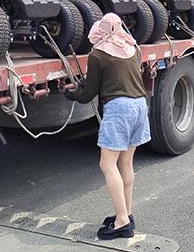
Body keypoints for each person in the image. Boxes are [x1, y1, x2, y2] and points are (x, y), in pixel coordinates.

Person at [65, 13, 150, 240]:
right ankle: (126, 214)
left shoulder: (98, 54)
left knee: (107, 164)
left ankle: (121, 222)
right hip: (140, 106)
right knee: (126, 163)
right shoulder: (131, 48)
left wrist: (73, 94)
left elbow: (88, 93)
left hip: (119, 109)